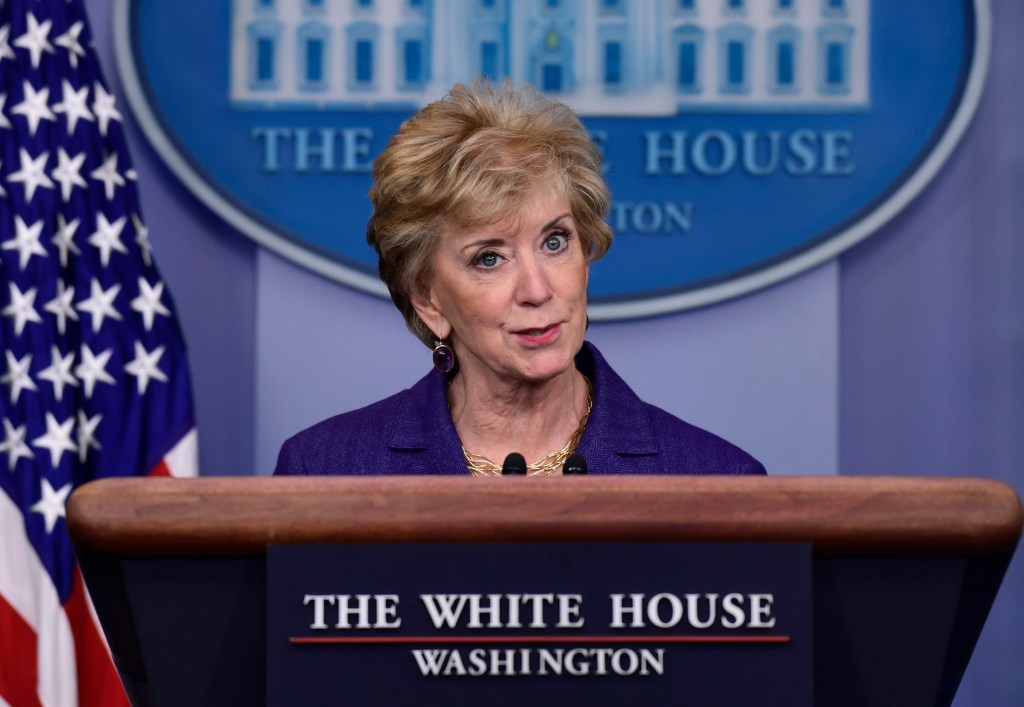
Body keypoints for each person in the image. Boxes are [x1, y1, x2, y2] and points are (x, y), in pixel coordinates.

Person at [274, 81, 765, 477]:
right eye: (489, 258)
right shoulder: (323, 472)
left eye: (555, 242)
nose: (537, 290)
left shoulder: (717, 478)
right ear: (428, 299)